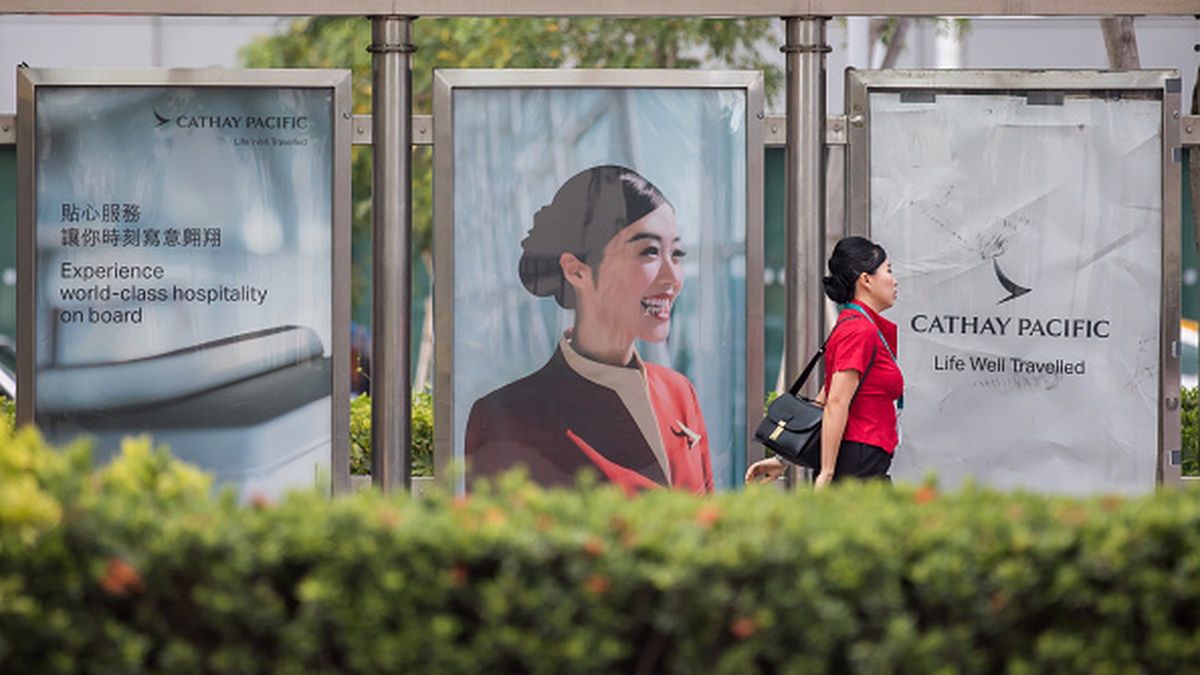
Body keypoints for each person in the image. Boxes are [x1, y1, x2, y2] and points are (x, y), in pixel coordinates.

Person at [465, 165, 713, 495]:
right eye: (649, 252)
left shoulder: (679, 393)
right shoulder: (507, 417)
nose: (673, 278)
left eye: (676, 254)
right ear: (576, 270)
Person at [746, 236, 903, 488]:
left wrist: (783, 458)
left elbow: (826, 396)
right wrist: (826, 474)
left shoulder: (856, 325)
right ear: (866, 280)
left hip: (861, 460)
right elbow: (836, 403)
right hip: (858, 464)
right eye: (888, 270)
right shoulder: (859, 331)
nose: (894, 280)